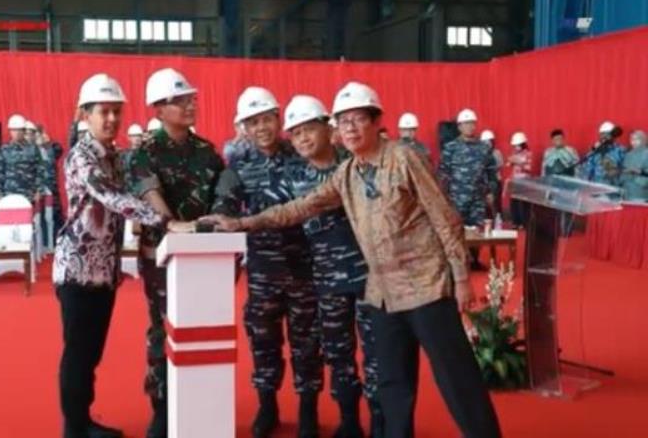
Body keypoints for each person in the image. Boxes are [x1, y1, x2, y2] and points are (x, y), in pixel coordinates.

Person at [202, 81, 502, 438]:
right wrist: (242, 222)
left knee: (456, 376)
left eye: (358, 119)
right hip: (382, 292)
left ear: (376, 121)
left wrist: (462, 277)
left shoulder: (404, 158)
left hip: (426, 284)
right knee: (392, 382)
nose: (350, 128)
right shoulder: (348, 173)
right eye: (344, 122)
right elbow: (300, 207)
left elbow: (444, 215)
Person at [53, 73, 173, 438]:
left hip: (103, 272)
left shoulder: (115, 157)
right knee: (79, 354)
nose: (111, 120)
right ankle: (74, 428)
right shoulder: (81, 157)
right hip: (77, 271)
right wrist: (165, 220)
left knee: (91, 354)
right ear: (83, 115)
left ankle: (84, 420)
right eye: (103, 112)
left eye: (116, 112)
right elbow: (113, 197)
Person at [212, 86, 322, 438]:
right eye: (253, 122)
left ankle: (308, 411)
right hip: (263, 270)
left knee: (308, 342)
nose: (261, 128)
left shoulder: (303, 155)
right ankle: (267, 407)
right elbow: (224, 205)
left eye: (267, 119)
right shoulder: (239, 167)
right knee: (263, 340)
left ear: (279, 119)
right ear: (243, 127)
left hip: (305, 267)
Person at [127, 68, 225, 438]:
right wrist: (174, 226)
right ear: (158, 109)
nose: (189, 105)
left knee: (203, 330)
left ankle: (201, 401)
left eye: (191, 99)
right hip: (161, 256)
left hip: (205, 260)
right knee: (161, 328)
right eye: (180, 101)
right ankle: (162, 406)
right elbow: (152, 200)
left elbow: (221, 195)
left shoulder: (207, 151)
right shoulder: (144, 153)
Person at [281, 94, 382, 437]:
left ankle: (381, 422)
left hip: (371, 277)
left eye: (309, 129)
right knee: (338, 353)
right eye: (295, 134)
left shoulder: (356, 163)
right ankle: (349, 421)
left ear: (328, 128)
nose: (304, 139)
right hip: (327, 280)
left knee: (377, 352)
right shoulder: (292, 175)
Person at [439, 109, 498, 270]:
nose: (470, 127)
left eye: (472, 123)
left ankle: (474, 260)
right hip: (456, 198)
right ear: (459, 127)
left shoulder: (484, 147)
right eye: (466, 124)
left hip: (477, 197)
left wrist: (491, 191)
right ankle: (458, 263)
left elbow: (491, 172)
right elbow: (443, 173)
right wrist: (442, 197)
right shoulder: (450, 148)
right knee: (456, 231)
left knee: (476, 230)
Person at [0, 114, 43, 204]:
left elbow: (39, 171)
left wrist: (39, 190)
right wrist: (0, 194)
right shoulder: (4, 149)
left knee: (26, 218)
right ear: (10, 131)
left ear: (24, 131)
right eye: (14, 130)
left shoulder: (33, 149)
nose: (16, 133)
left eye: (19, 130)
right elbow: (0, 173)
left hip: (28, 193)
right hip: (9, 193)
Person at [582, 121, 626, 186]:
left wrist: (617, 173)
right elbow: (587, 169)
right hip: (596, 188)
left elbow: (626, 169)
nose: (604, 136)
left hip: (614, 188)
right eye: (602, 134)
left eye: (608, 134)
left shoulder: (620, 150)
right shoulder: (595, 150)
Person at [506, 132, 533, 228]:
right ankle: (516, 222)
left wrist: (520, 162)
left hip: (524, 181)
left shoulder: (528, 154)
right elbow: (508, 164)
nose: (516, 147)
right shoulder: (514, 153)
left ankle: (524, 222)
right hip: (515, 180)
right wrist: (511, 161)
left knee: (523, 203)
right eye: (515, 145)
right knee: (514, 203)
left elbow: (529, 168)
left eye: (518, 145)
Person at [480, 130, 504, 217]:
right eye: (485, 142)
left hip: (495, 180)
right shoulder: (480, 154)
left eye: (489, 141)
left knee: (496, 202)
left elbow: (500, 165)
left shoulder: (496, 153)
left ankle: (498, 218)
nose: (487, 144)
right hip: (484, 183)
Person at [621, 130, 648, 201]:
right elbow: (624, 171)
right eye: (632, 139)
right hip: (627, 191)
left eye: (637, 139)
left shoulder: (646, 154)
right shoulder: (628, 155)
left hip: (641, 192)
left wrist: (637, 180)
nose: (634, 142)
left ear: (643, 140)